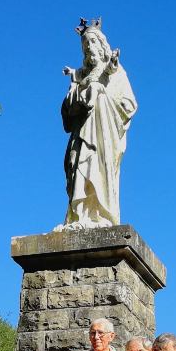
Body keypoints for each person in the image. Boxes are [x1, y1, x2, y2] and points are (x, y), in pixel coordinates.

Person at [57, 18, 137, 229]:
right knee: (77, 164)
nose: (89, 47)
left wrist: (103, 97)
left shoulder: (115, 71)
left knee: (97, 168)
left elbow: (130, 105)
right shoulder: (81, 75)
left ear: (102, 45)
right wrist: (76, 95)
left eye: (93, 42)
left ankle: (100, 215)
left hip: (104, 133)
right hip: (82, 131)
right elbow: (66, 110)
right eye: (85, 44)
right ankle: (80, 215)